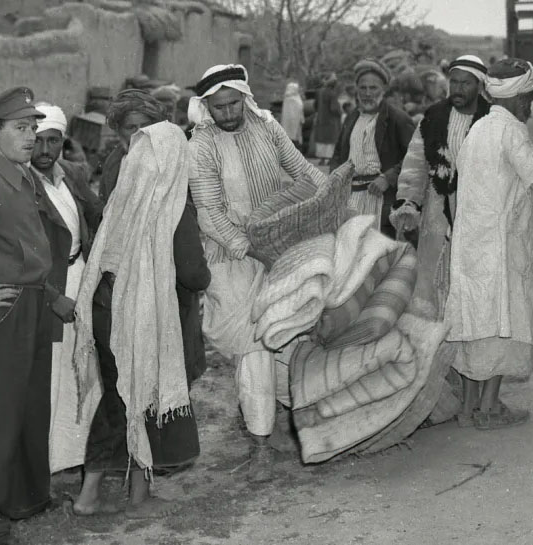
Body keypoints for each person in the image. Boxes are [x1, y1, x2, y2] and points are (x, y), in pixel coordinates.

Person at [187, 63, 327, 482]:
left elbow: (301, 169)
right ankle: (261, 445)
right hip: (231, 259)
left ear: (245, 99)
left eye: (234, 104)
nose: (228, 114)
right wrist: (251, 248)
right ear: (206, 108)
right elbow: (210, 215)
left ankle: (273, 419)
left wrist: (330, 193)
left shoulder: (267, 127)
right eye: (219, 107)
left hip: (278, 244)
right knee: (252, 348)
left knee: (286, 334)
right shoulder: (201, 146)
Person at [69, 109, 210, 518]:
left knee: (121, 402)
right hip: (143, 317)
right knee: (135, 403)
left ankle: (132, 493)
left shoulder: (122, 198)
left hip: (107, 310)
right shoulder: (172, 206)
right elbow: (194, 273)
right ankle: (94, 496)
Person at [0, 86, 74, 542]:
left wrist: (48, 294)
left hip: (29, 304)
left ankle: (20, 499)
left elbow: (22, 245)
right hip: (2, 312)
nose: (32, 135)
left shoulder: (16, 172)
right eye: (22, 128)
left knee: (26, 408)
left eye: (34, 127)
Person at [446, 58, 533, 429]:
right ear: (517, 96)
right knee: (504, 321)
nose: (531, 105)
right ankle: (488, 411)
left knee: (477, 324)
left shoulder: (479, 129)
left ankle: (470, 408)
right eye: (529, 97)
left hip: (474, 245)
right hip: (500, 248)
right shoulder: (510, 130)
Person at [389, 54, 492, 323]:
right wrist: (408, 202)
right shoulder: (434, 117)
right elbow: (415, 163)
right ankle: (430, 342)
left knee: (473, 280)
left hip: (478, 210)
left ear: (480, 85)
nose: (457, 89)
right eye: (453, 82)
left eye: (465, 83)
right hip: (437, 208)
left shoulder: (492, 120)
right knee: (429, 276)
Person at [31, 102, 104, 477]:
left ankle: (77, 455)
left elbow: (96, 214)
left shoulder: (72, 174)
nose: (44, 151)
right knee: (53, 374)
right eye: (37, 140)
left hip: (79, 277)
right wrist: (51, 295)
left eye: (53, 141)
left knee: (82, 368)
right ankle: (49, 460)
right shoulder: (21, 183)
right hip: (48, 287)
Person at [330, 59, 415, 238]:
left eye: (373, 88)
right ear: (356, 90)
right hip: (351, 199)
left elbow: (415, 157)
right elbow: (338, 153)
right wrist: (336, 179)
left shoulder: (397, 119)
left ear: (383, 90)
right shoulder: (351, 118)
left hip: (381, 199)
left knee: (378, 255)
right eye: (363, 88)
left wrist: (388, 177)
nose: (368, 93)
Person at [310, 73, 343, 160]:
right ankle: (328, 159)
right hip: (331, 121)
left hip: (321, 120)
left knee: (321, 140)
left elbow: (315, 105)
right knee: (330, 140)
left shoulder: (319, 92)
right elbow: (334, 108)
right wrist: (340, 112)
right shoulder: (332, 94)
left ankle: (322, 159)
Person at [280, 82, 305, 151]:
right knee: (291, 135)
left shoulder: (296, 97)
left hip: (296, 121)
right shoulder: (290, 99)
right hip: (292, 121)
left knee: (295, 135)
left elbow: (300, 109)